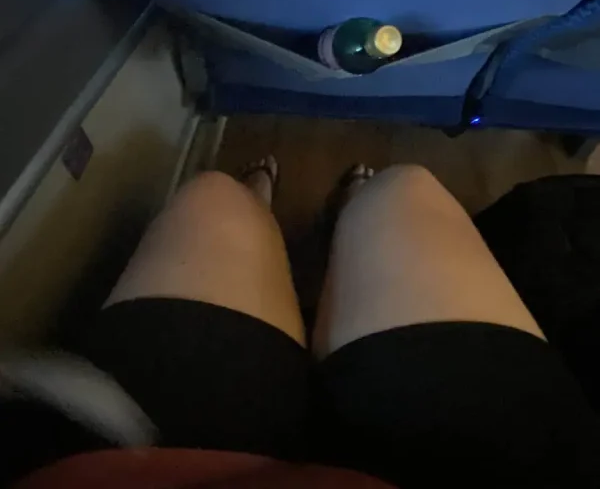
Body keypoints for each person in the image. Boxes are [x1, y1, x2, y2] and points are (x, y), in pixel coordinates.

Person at [11, 161, 600, 489]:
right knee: (406, 187)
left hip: (138, 459)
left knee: (214, 198)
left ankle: (265, 202)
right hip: (508, 473)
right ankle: (340, 213)